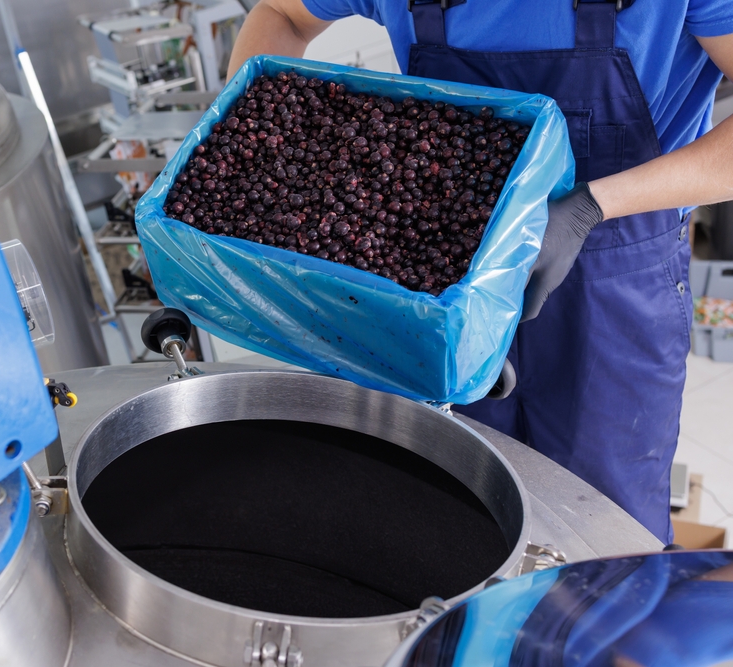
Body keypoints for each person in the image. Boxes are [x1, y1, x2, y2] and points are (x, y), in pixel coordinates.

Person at [227, 0, 733, 543]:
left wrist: (591, 205)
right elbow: (281, 14)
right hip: (439, 282)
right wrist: (244, 156)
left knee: (602, 532)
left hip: (615, 285)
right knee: (446, 513)